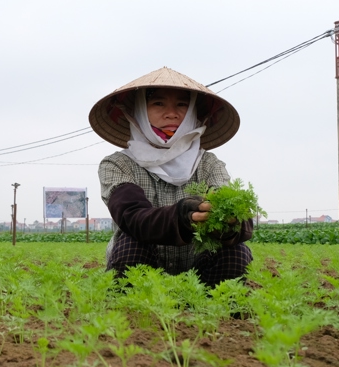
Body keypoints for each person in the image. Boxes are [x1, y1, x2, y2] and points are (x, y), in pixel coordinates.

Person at [88, 67, 253, 287]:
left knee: (235, 252)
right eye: (158, 104)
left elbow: (224, 201)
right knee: (131, 246)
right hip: (146, 261)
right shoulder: (118, 164)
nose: (172, 113)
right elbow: (133, 216)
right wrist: (181, 216)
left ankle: (220, 313)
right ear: (139, 111)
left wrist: (229, 221)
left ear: (193, 111)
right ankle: (135, 313)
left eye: (182, 105)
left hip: (199, 267)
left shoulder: (209, 164)